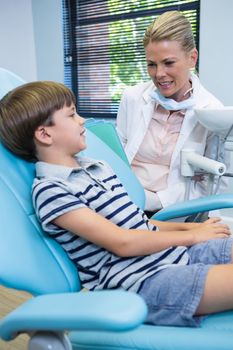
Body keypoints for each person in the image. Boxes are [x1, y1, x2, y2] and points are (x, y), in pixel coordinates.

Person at [0, 81, 233, 328]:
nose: (82, 121)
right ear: (45, 134)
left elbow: (138, 223)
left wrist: (193, 230)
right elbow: (123, 242)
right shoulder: (52, 191)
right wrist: (192, 237)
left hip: (173, 256)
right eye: (71, 115)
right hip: (143, 282)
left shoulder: (97, 167)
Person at [116, 11, 228, 215]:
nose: (159, 74)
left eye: (168, 63)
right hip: (123, 201)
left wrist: (154, 201)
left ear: (192, 58)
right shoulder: (132, 98)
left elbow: (209, 185)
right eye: (152, 64)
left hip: (174, 211)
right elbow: (118, 157)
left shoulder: (212, 112)